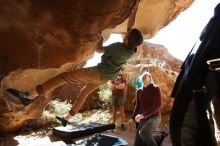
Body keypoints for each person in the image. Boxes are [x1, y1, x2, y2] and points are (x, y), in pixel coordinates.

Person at [6, 28, 144, 127]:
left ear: (127, 39)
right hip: (105, 78)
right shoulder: (132, 50)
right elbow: (131, 32)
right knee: (83, 94)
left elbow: (99, 49)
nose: (126, 32)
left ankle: (29, 95)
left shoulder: (117, 47)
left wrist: (100, 37)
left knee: (64, 77)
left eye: (127, 33)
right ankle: (67, 118)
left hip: (97, 73)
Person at [128, 72, 162, 146]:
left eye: (146, 75)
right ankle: (158, 139)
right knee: (137, 143)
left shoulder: (155, 88)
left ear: (150, 78)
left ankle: (158, 139)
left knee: (143, 132)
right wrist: (132, 118)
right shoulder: (139, 91)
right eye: (142, 75)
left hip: (155, 117)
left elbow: (158, 105)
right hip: (143, 118)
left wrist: (143, 115)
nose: (144, 76)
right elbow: (138, 106)